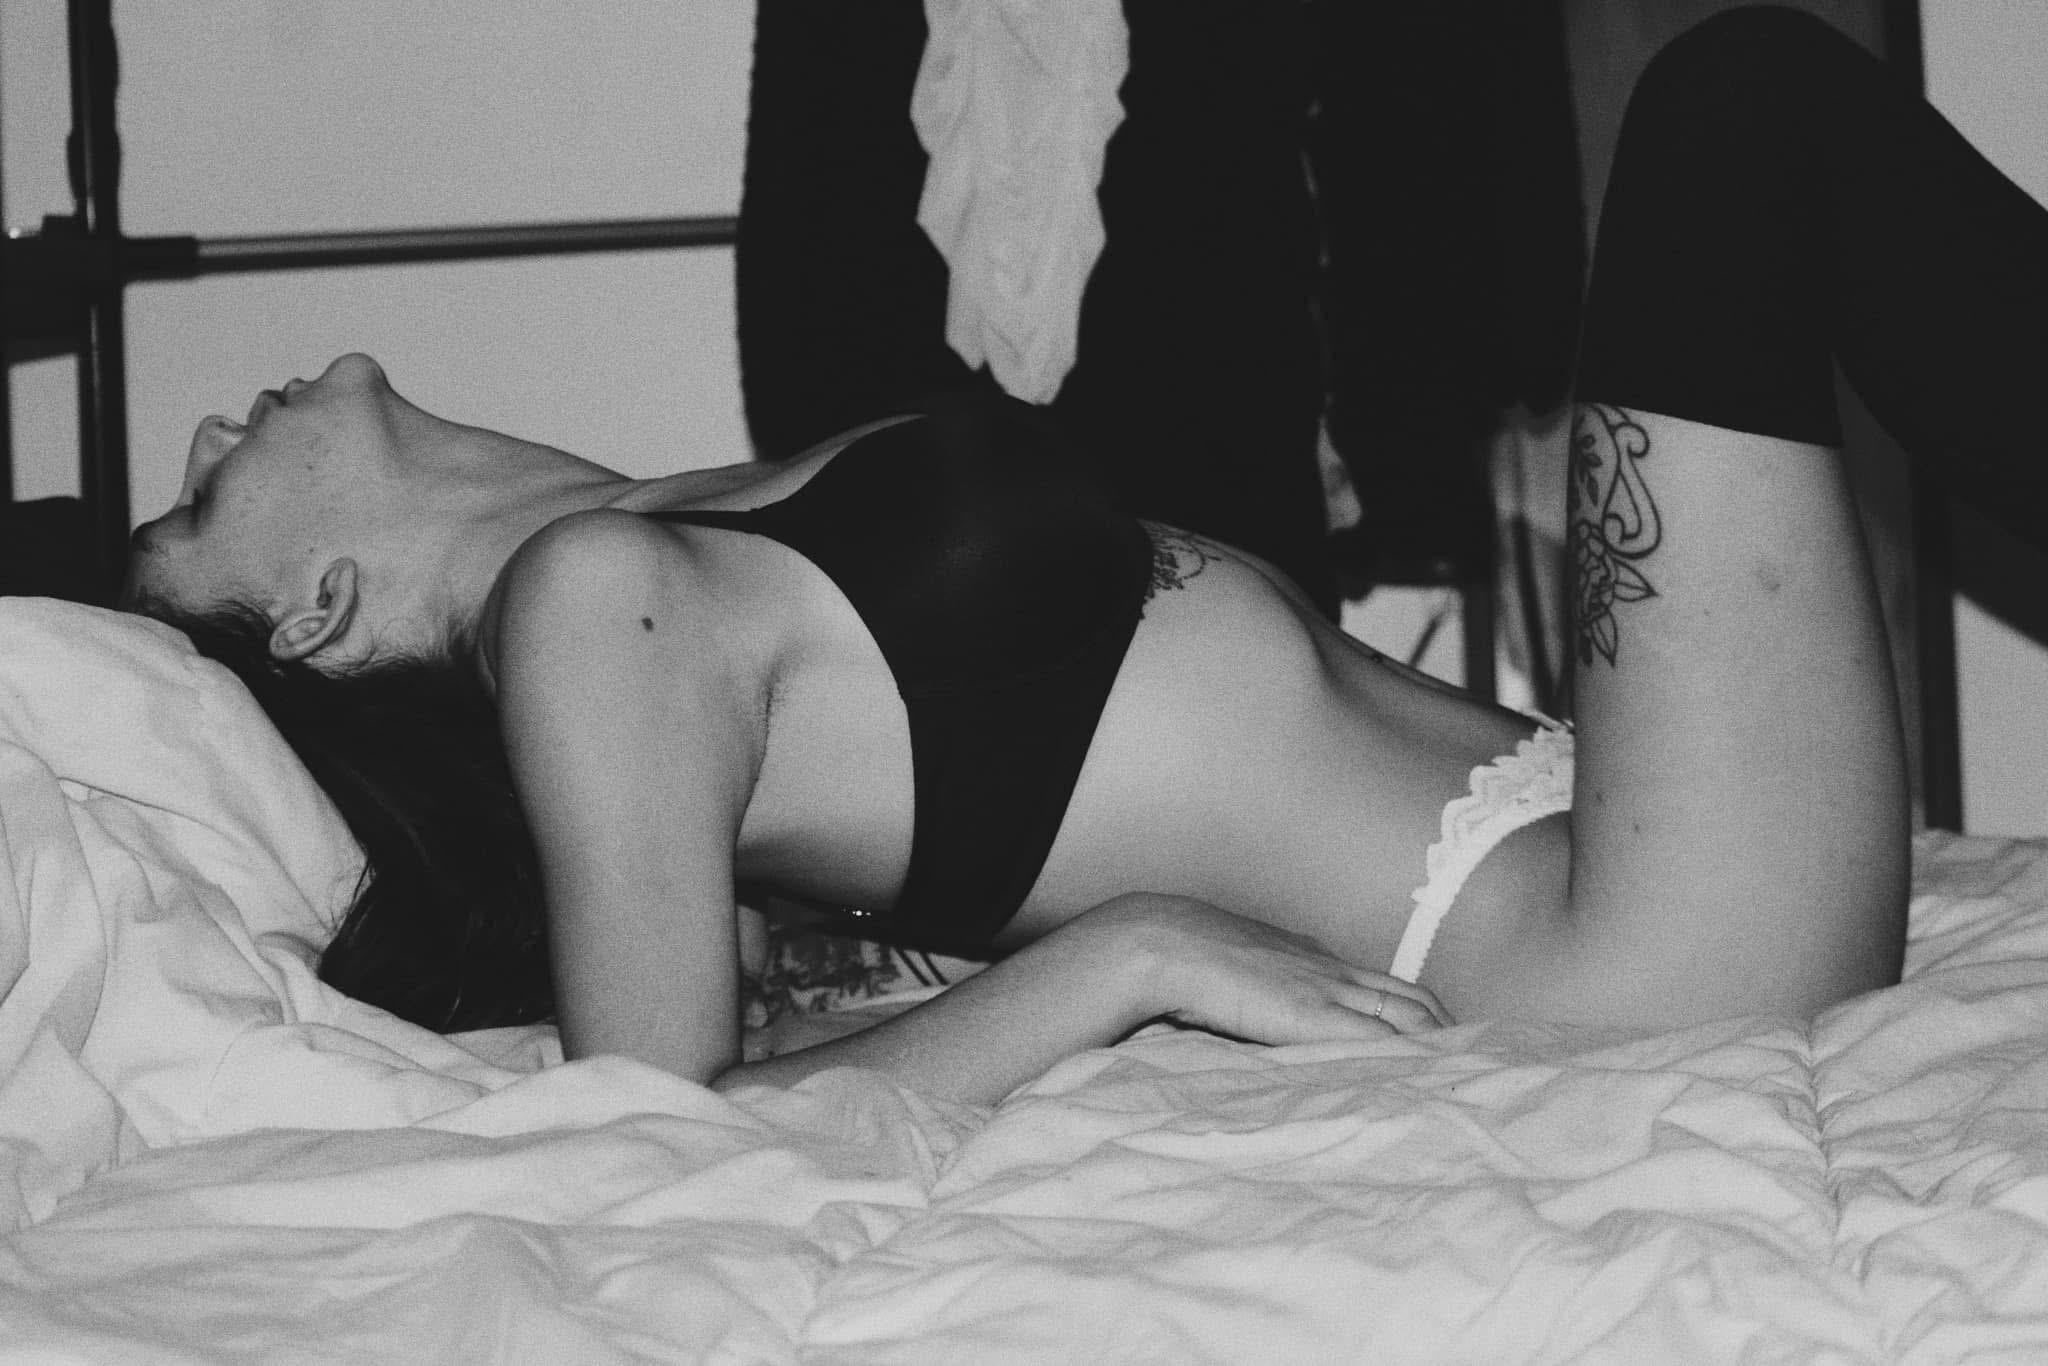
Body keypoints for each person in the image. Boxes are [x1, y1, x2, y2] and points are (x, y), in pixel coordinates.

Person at [125, 8, 2047, 1106]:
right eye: (196, 509)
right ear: (320, 613)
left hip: (1629, 843)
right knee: (1739, 113)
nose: (213, 435)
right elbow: (660, 1122)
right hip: (1637, 953)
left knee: (1748, 113)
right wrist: (1129, 959)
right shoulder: (581, 617)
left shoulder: (655, 543)